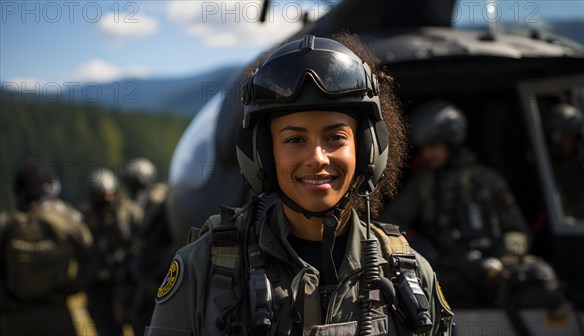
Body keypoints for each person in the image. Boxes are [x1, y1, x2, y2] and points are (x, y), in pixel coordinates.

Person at [146, 34, 454, 336]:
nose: (317, 158)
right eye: (294, 139)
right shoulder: (204, 269)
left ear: (368, 149)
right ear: (264, 155)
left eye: (336, 137)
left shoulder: (408, 273)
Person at [381, 100, 565, 311]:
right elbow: (391, 222)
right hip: (442, 271)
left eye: (434, 147)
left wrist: (505, 260)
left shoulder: (488, 180)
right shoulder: (424, 181)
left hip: (489, 273)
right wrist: (420, 249)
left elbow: (518, 232)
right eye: (425, 148)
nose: (427, 154)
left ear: (450, 143)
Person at [0, 158, 94, 336]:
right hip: (56, 312)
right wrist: (72, 287)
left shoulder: (6, 223)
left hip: (14, 317)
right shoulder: (64, 217)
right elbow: (90, 254)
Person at [81, 167, 143, 336]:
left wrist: (129, 254)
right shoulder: (86, 217)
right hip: (100, 283)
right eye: (101, 196)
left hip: (128, 279)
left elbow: (143, 239)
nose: (106, 200)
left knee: (141, 323)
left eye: (109, 194)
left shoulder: (130, 211)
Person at [120, 158, 175, 336]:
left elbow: (148, 235)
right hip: (153, 267)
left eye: (133, 182)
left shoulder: (156, 198)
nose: (131, 187)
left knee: (145, 315)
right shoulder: (150, 198)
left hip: (158, 267)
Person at [545, 103, 584, 222]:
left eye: (569, 138)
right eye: (563, 139)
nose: (566, 143)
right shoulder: (550, 165)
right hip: (572, 217)